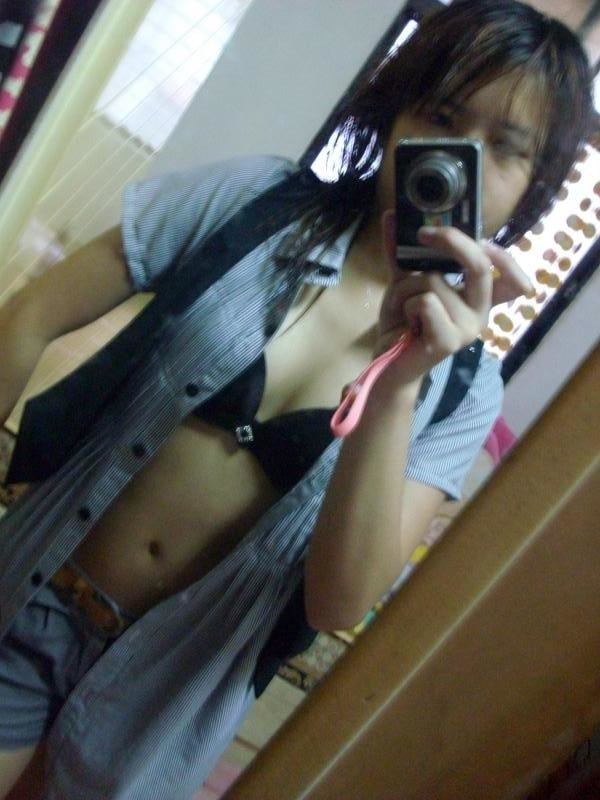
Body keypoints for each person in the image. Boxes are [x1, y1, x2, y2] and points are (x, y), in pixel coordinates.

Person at [0, 1, 593, 797]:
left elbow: (340, 600)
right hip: (32, 597)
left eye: (506, 148)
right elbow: (30, 316)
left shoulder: (462, 391)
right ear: (396, 110)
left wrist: (401, 381)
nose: (460, 160)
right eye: (442, 116)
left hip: (162, 708)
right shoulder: (257, 200)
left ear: (532, 190)